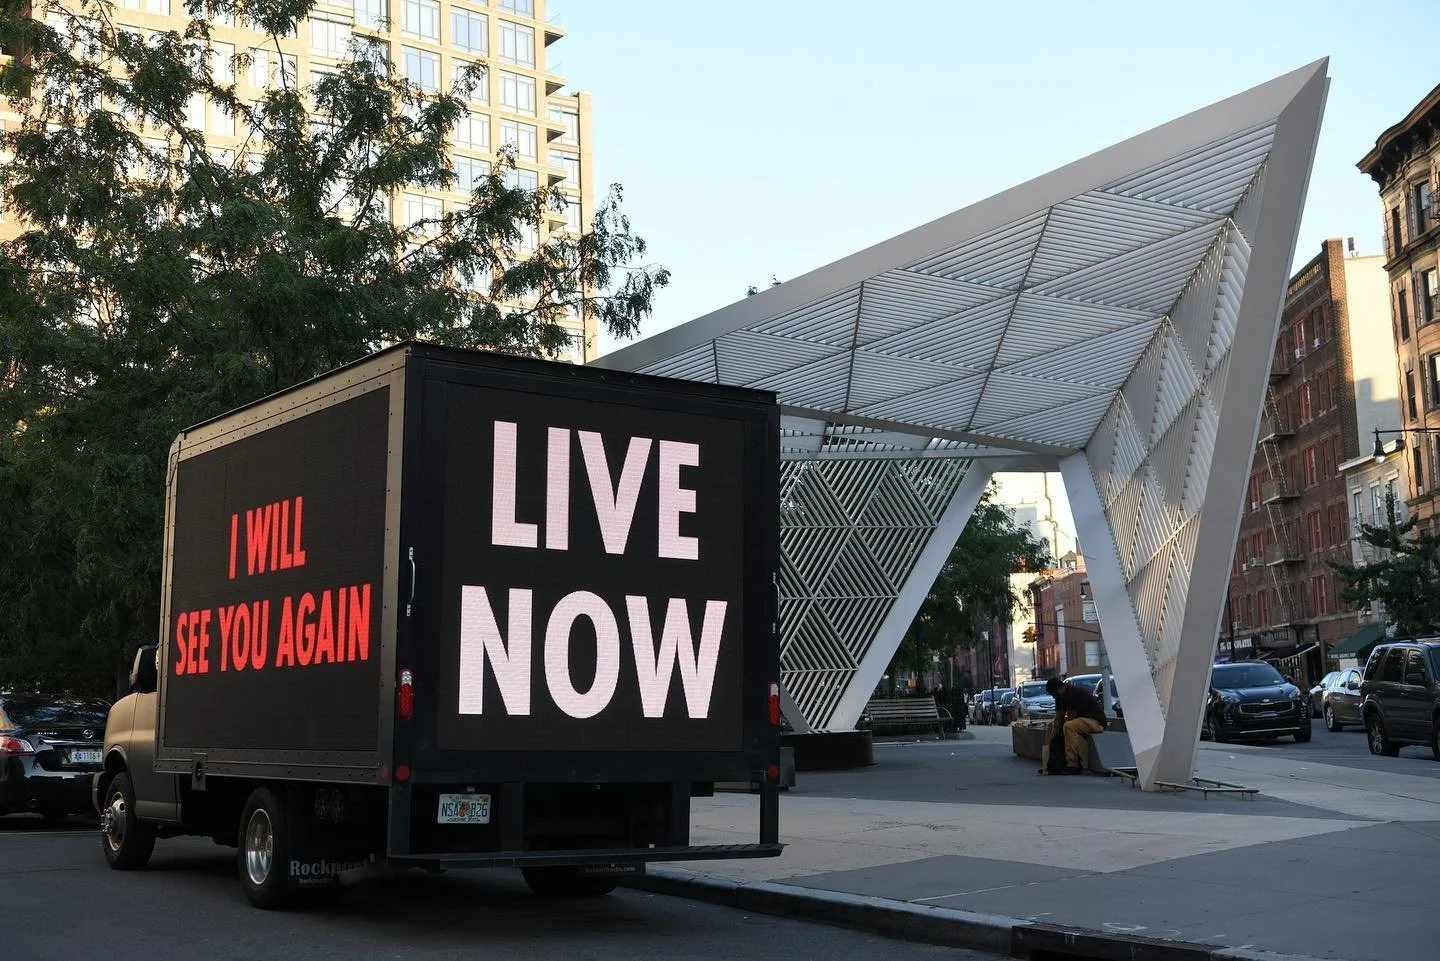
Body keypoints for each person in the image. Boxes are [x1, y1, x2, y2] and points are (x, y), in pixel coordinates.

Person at [1045, 676, 1107, 774]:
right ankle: (1051, 762)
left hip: (1095, 722)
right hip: (1082, 720)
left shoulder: (1072, 694)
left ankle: (1072, 764)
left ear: (1060, 688)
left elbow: (1071, 718)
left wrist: (1059, 733)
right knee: (1052, 725)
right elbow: (1058, 719)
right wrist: (1051, 741)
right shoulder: (1060, 697)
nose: (1053, 697)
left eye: (1054, 694)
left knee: (1069, 726)